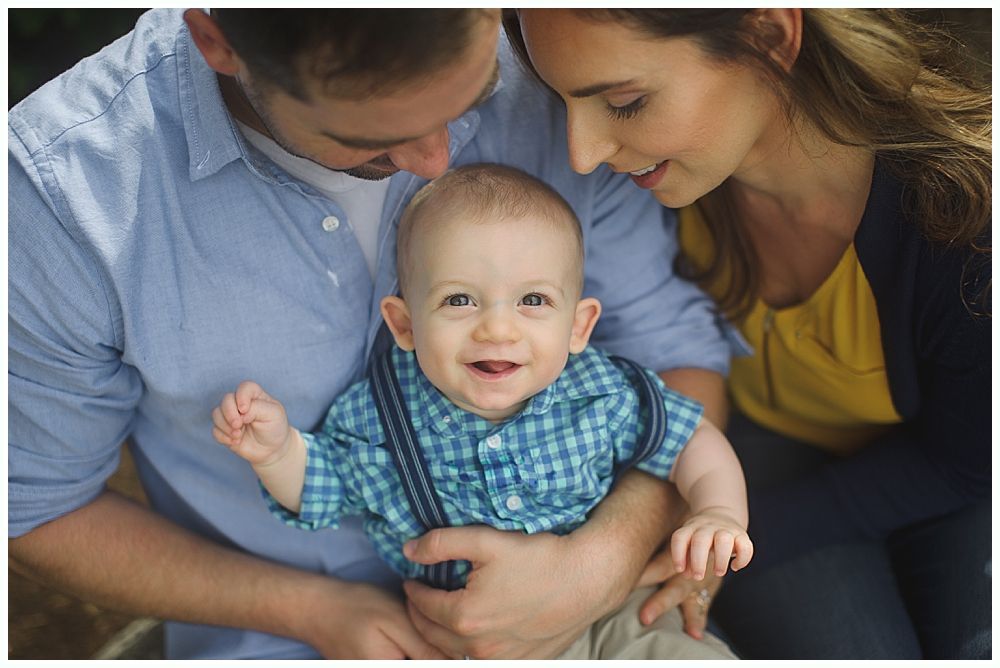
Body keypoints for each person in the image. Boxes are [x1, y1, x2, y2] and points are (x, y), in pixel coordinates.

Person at [8, 9, 735, 660]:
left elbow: (672, 353)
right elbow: (36, 511)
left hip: (606, 612)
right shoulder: (53, 200)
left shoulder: (553, 60)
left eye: (471, 99)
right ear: (217, 43)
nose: (437, 161)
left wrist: (601, 560)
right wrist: (313, 611)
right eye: (370, 136)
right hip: (294, 637)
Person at [504, 8, 991, 659]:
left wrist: (727, 526)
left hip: (949, 477)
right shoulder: (667, 186)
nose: (583, 154)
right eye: (560, 100)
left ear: (769, 36)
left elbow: (964, 463)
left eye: (623, 102)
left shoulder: (967, 227)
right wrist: (713, 514)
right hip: (747, 456)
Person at [211, 163, 752, 660]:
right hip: (465, 640)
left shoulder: (602, 394)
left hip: (617, 617)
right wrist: (277, 451)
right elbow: (321, 486)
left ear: (579, 326)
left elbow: (692, 439)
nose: (497, 328)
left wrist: (719, 512)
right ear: (403, 325)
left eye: (533, 301)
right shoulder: (380, 420)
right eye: (459, 301)